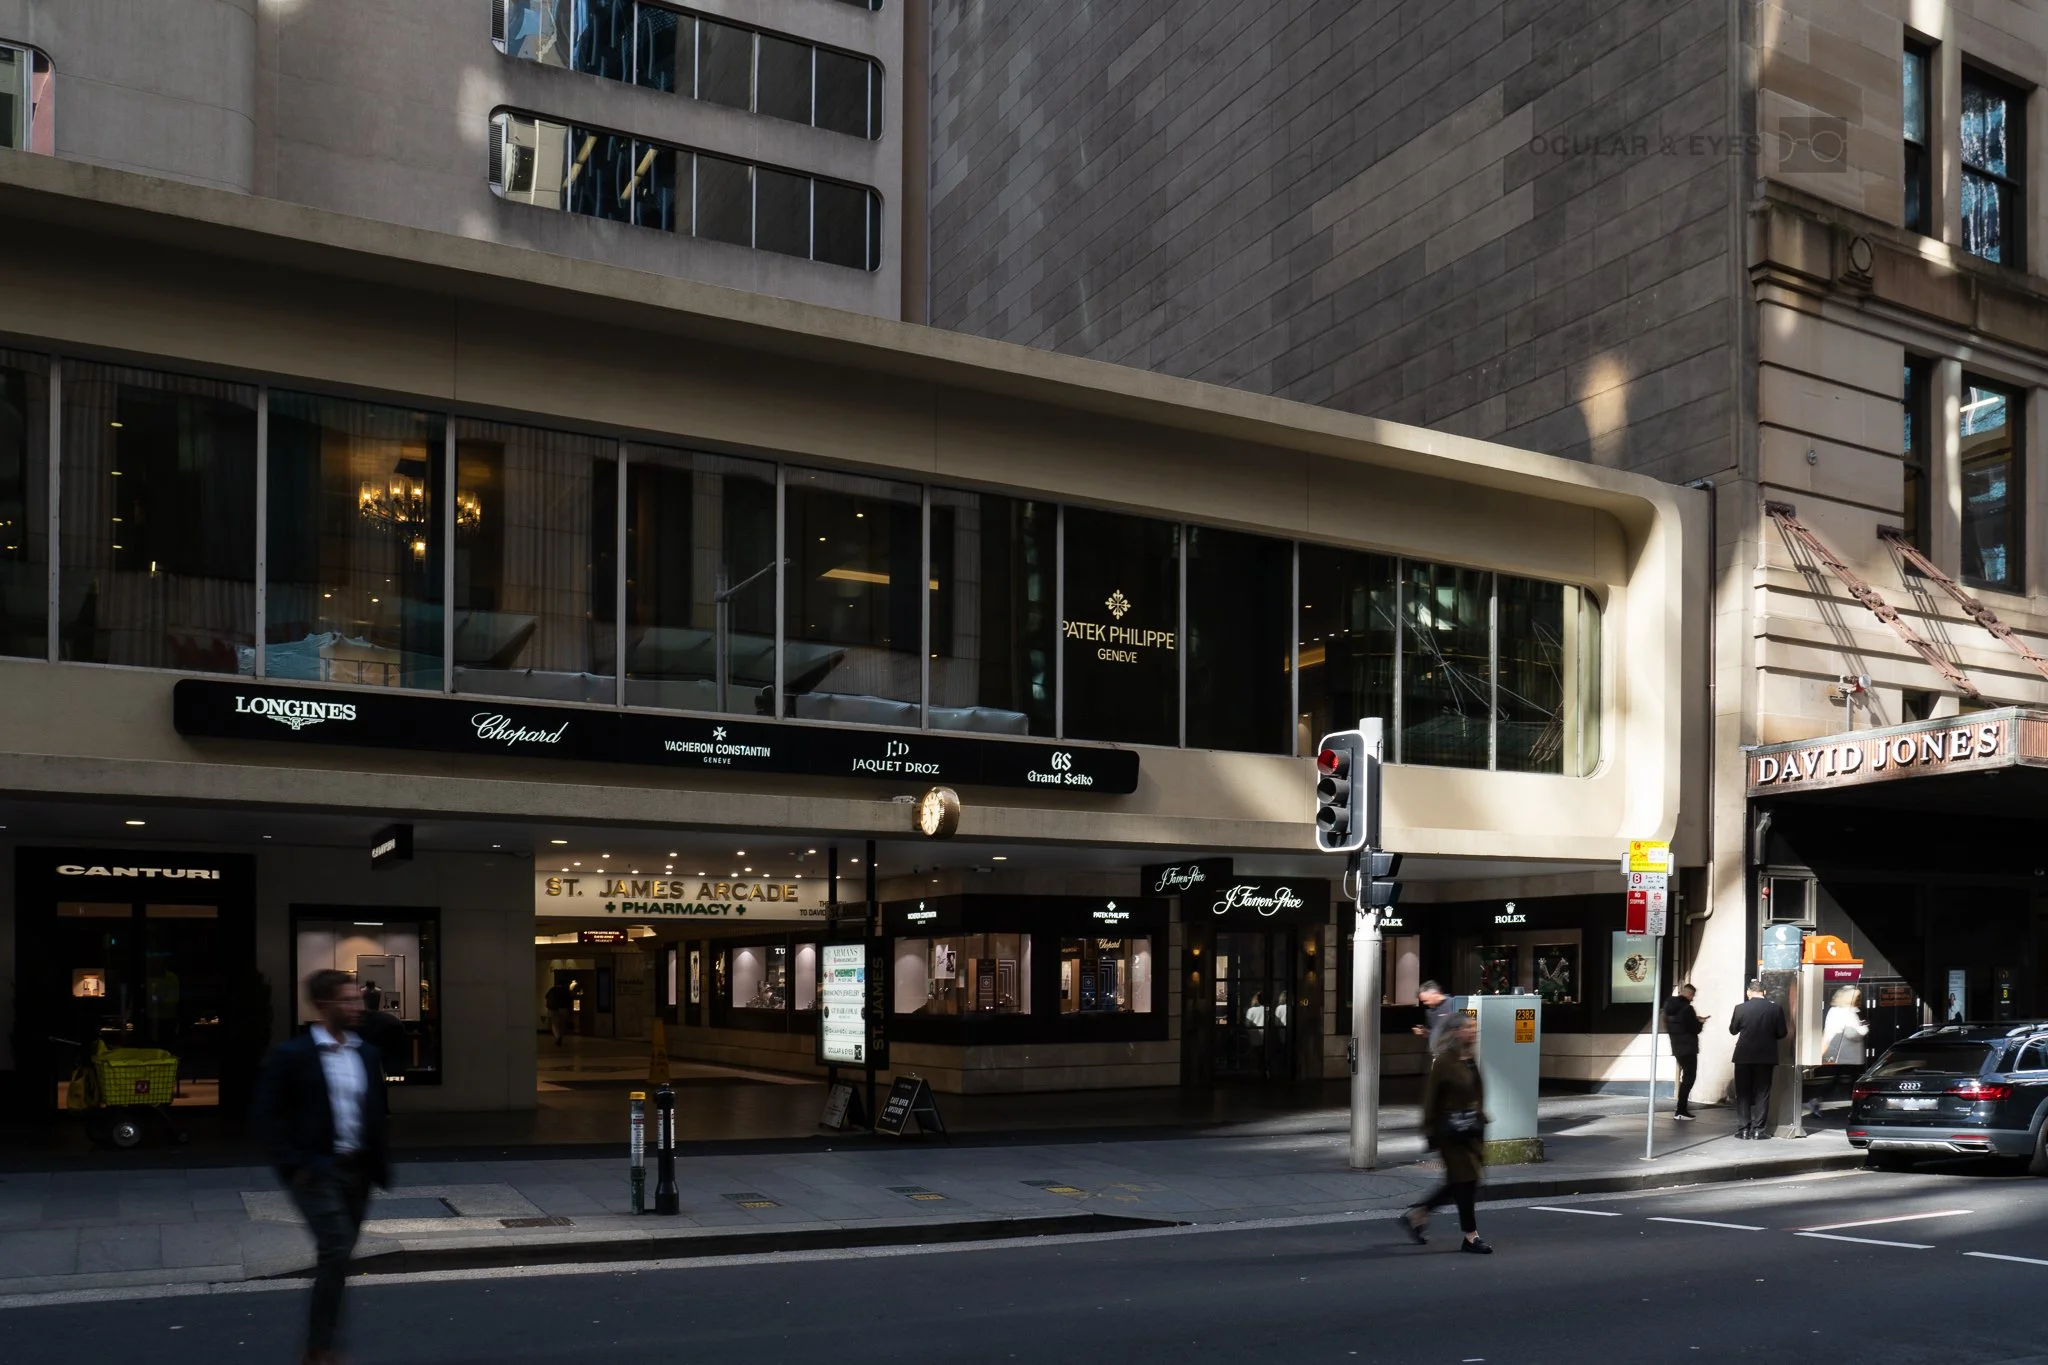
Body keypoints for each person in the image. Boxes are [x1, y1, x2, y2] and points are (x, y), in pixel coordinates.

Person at [253, 969, 391, 1365]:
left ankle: (321, 1343)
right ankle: (319, 1349)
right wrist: (296, 1165)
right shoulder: (292, 1056)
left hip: (358, 1171)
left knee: (340, 1253)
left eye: (357, 998)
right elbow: (266, 1116)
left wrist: (377, 1162)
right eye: (347, 1000)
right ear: (322, 1005)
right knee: (335, 1248)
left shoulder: (366, 1053)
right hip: (317, 1171)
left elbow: (375, 1110)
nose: (357, 1006)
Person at [1398, 1018, 1492, 1253]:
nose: (1473, 1032)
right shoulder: (1443, 1061)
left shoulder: (1469, 1059)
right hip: (1450, 1132)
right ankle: (1471, 1236)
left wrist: (1480, 1118)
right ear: (1455, 1031)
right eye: (1468, 1028)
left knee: (1461, 1181)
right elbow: (1430, 1099)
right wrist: (1430, 1133)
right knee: (1466, 1180)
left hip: (1470, 1131)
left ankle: (1418, 1214)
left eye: (1474, 1028)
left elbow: (1477, 1093)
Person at [1728, 979, 1788, 1139]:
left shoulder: (1740, 1008)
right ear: (1764, 992)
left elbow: (1733, 1030)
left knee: (1743, 1093)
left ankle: (1743, 1129)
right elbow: (1782, 1032)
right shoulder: (1775, 1009)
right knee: (1762, 1093)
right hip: (1766, 1056)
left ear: (1749, 992)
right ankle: (1758, 1130)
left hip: (1743, 1056)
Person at [1809, 985, 1870, 1115]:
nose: (1859, 1000)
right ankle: (1856, 1107)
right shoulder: (1848, 1013)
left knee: (1836, 1079)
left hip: (1836, 1051)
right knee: (1853, 1080)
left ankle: (1817, 1099)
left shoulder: (1834, 1011)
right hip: (1847, 1054)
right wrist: (1864, 1028)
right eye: (1857, 997)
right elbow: (1851, 1033)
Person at [1663, 983, 1708, 1120]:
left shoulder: (1669, 1008)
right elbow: (1694, 1029)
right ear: (1688, 994)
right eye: (1692, 995)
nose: (1693, 998)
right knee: (1689, 1078)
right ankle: (1681, 1110)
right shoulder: (1687, 1009)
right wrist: (1700, 1022)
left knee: (1686, 1077)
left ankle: (1681, 1108)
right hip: (1688, 1048)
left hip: (1677, 1047)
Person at [1413, 980, 1456, 1050]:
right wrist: (1425, 1032)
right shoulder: (1429, 1012)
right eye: (1423, 1001)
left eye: (1426, 1000)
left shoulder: (1454, 1003)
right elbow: (1434, 1032)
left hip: (1454, 1049)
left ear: (1435, 994)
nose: (1425, 1003)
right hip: (1439, 1050)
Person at [545, 980, 574, 1046]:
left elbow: (546, 996)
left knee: (555, 1024)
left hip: (553, 1008)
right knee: (562, 1024)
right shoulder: (566, 991)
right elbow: (570, 999)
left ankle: (558, 1036)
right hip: (563, 1008)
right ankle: (560, 1036)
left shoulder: (552, 990)